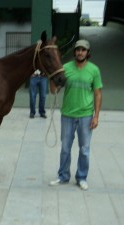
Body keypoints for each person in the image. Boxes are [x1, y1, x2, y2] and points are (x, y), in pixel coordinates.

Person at [49, 40, 103, 191]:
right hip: (67, 114)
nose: (80, 52)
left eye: (83, 50)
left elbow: (98, 94)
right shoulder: (65, 68)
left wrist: (96, 116)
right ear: (74, 52)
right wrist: (51, 79)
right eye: (78, 50)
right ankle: (63, 176)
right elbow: (54, 90)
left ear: (87, 52)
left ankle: (82, 177)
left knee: (84, 149)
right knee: (65, 148)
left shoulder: (94, 70)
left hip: (86, 115)